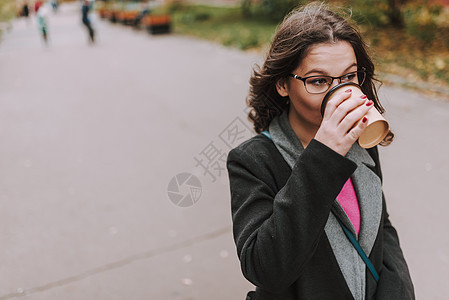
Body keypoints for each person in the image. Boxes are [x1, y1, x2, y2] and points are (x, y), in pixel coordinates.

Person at [226, 2, 415, 300]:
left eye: (349, 77)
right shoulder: (253, 160)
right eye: (318, 81)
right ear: (283, 85)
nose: (339, 94)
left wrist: (400, 289)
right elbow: (266, 269)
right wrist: (324, 153)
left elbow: (381, 229)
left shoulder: (360, 143)